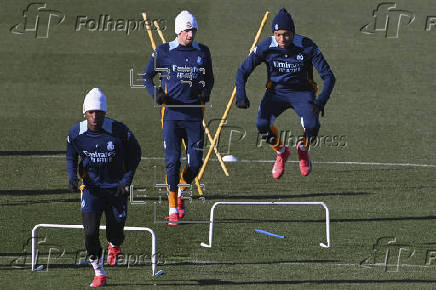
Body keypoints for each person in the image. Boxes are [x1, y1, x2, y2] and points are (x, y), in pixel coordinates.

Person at [235, 8, 335, 179]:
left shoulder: (307, 46)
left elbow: (329, 77)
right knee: (262, 124)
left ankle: (303, 149)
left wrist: (321, 102)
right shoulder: (266, 46)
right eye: (278, 34)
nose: (282, 39)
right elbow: (242, 71)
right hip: (276, 93)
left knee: (312, 126)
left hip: (303, 93)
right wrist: (241, 96)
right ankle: (282, 152)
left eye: (286, 34)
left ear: (293, 33)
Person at [143, 10, 214, 225]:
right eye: (186, 31)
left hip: (194, 115)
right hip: (172, 115)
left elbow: (209, 77)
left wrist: (206, 91)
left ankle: (183, 187)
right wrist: (156, 93)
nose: (190, 34)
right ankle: (173, 207)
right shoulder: (164, 52)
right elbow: (147, 76)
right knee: (172, 162)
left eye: (192, 30)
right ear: (178, 31)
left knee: (195, 164)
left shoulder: (203, 51)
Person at [66, 88, 141, 287]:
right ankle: (99, 273)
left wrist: (127, 180)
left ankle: (115, 245)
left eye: (98, 112)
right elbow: (71, 154)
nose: (94, 116)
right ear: (85, 112)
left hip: (117, 189)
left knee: (115, 231)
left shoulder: (119, 131)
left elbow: (136, 154)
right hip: (91, 190)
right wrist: (73, 176)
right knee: (90, 233)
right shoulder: (77, 132)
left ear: (105, 113)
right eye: (91, 112)